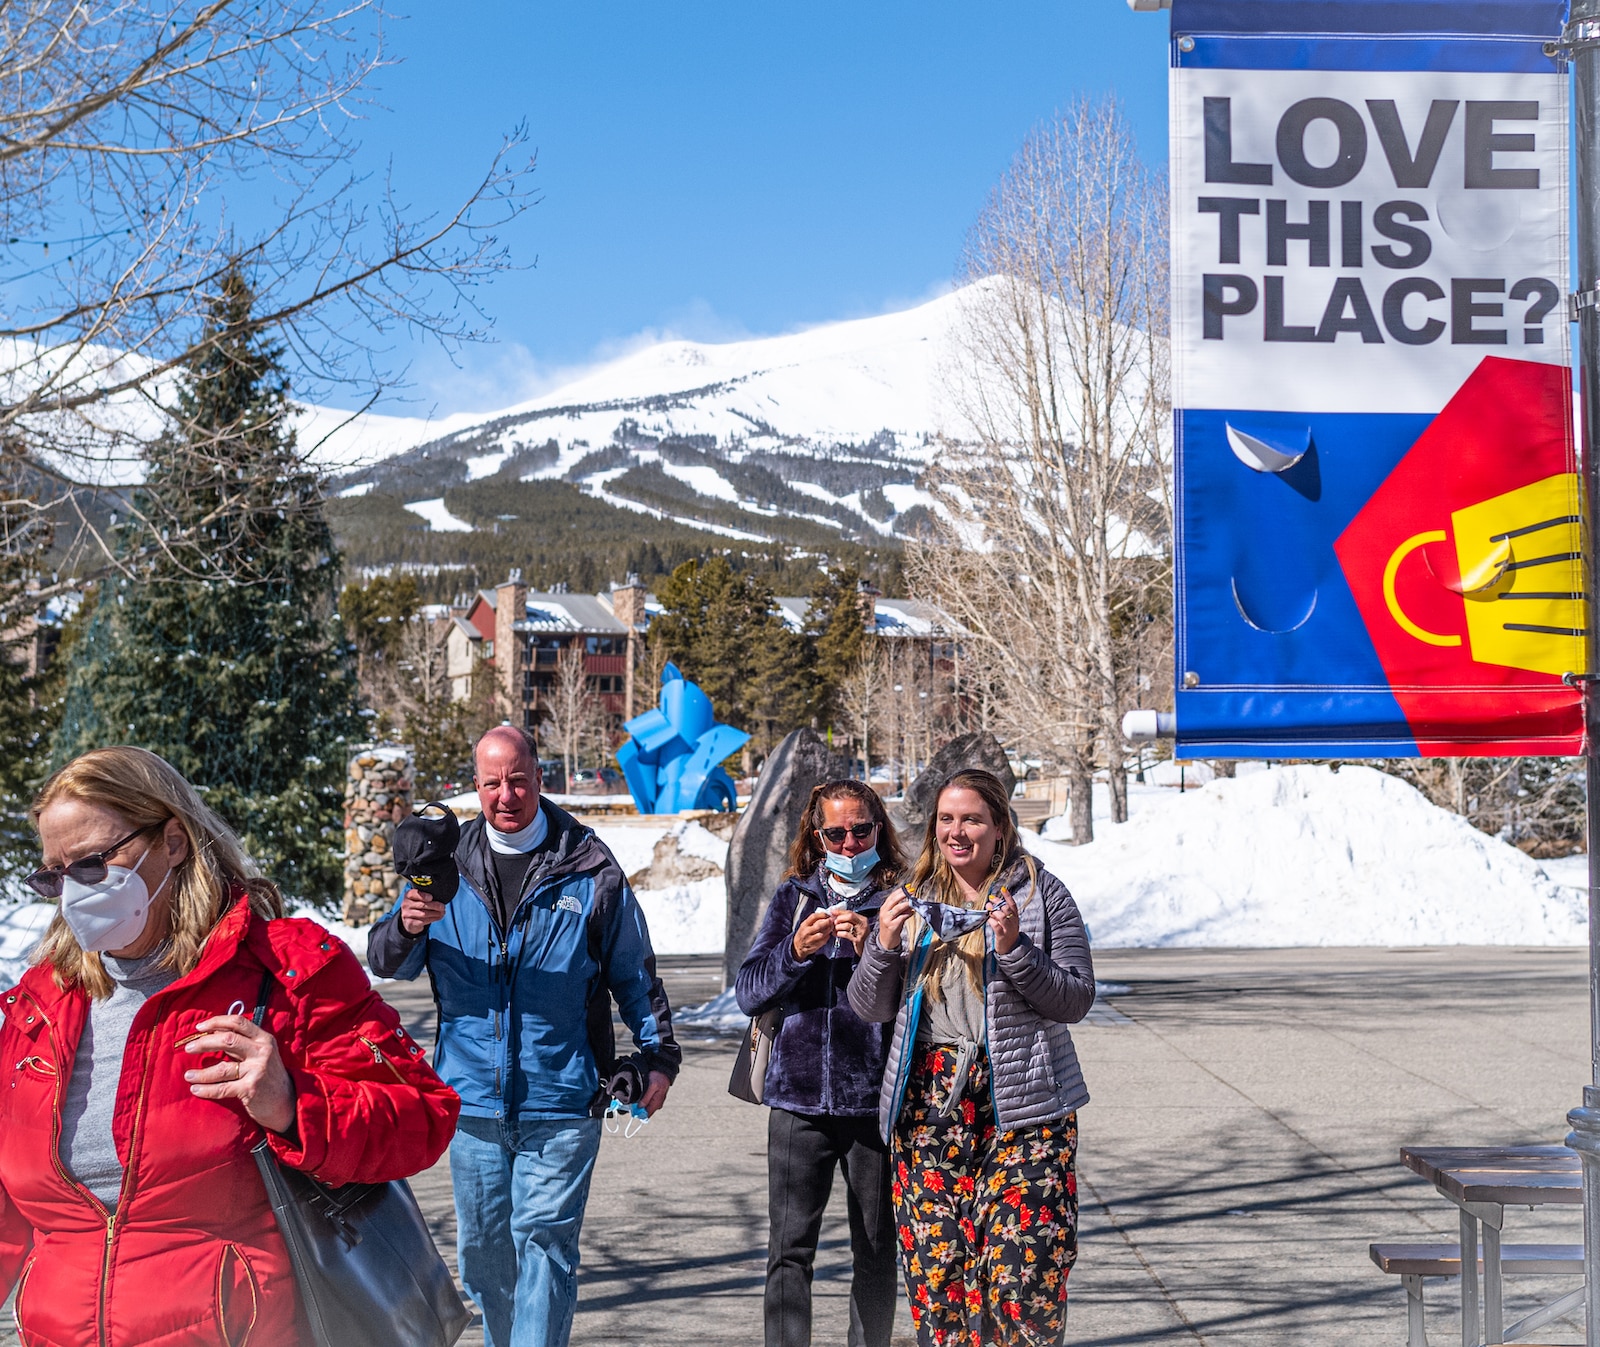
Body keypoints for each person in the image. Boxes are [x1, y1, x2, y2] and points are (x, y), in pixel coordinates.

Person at [0, 746, 460, 1347]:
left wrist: (294, 1104)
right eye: (53, 875)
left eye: (90, 864)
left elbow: (423, 1116)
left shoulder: (287, 968)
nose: (72, 893)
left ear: (172, 840)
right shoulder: (41, 1004)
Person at [367, 724, 681, 1347]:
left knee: (543, 1246)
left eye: (516, 779)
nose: (505, 794)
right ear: (475, 787)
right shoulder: (444, 863)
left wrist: (658, 1056)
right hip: (471, 1103)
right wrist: (406, 924)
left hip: (562, 1100)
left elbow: (633, 970)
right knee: (484, 1261)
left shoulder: (589, 866)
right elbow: (385, 960)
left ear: (539, 778)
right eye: (491, 783)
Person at [848, 769, 1095, 1346]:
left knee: (1023, 1276)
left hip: (1025, 1103)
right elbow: (869, 1007)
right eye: (947, 819)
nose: (958, 832)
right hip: (930, 1105)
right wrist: (882, 944)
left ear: (1000, 827)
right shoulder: (909, 897)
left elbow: (1076, 997)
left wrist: (1014, 949)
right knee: (941, 1277)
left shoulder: (1040, 892)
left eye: (973, 819)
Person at [735, 779, 906, 1347]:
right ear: (818, 836)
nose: (851, 843)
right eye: (837, 832)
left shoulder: (898, 899)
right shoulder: (792, 898)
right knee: (789, 1252)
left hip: (875, 1104)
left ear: (879, 829)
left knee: (877, 1252)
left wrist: (874, 952)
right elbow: (749, 991)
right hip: (797, 1102)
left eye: (862, 830)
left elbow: (921, 999)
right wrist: (795, 951)